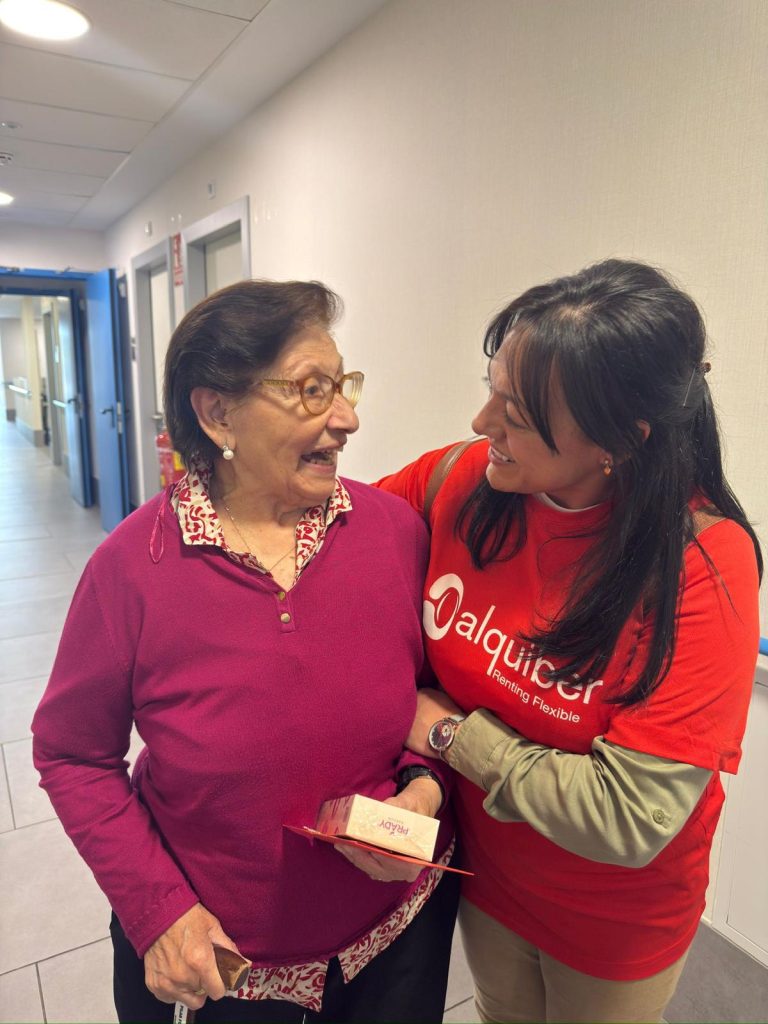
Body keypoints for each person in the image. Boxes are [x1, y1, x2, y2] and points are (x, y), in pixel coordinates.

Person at [32, 280, 459, 1024]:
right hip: (225, 968)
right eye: (312, 390)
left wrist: (424, 789)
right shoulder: (132, 567)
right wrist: (159, 912)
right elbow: (72, 755)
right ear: (217, 412)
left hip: (397, 940)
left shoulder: (394, 532)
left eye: (344, 385)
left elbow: (434, 693)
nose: (348, 418)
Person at [376, 259, 762, 1024]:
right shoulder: (459, 480)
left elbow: (629, 816)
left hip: (613, 921)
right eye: (491, 389)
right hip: (487, 877)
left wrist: (449, 734)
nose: (482, 423)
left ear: (619, 439)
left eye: (517, 414)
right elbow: (332, 556)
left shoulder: (704, 563)